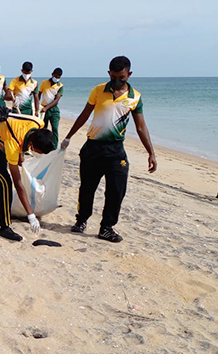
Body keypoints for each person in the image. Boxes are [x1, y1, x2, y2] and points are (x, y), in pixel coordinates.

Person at [61, 56, 157, 243]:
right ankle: (81, 221)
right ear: (109, 74)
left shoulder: (135, 97)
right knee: (87, 188)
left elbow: (141, 127)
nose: (116, 81)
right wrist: (68, 137)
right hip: (92, 148)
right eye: (113, 76)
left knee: (117, 190)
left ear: (129, 74)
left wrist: (151, 153)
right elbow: (84, 115)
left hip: (115, 151)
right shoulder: (98, 90)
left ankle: (106, 227)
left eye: (121, 77)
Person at [0, 113, 55, 241]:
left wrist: (20, 154)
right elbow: (18, 184)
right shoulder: (13, 144)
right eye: (38, 151)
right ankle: (5, 227)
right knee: (5, 182)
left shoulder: (38, 123)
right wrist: (31, 215)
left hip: (2, 139)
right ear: (33, 145)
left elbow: (18, 131)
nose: (37, 154)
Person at [38, 68, 64, 148]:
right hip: (43, 108)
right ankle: (42, 145)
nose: (57, 78)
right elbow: (39, 94)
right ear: (52, 74)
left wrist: (47, 108)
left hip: (53, 109)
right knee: (43, 128)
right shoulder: (44, 83)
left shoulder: (60, 86)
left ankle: (54, 146)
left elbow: (56, 100)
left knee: (55, 129)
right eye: (56, 76)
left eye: (59, 77)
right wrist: (37, 106)